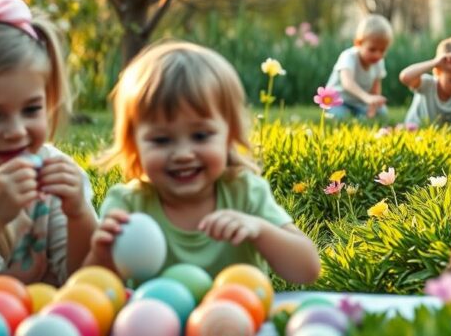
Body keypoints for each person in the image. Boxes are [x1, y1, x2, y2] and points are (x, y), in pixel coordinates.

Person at [90, 41, 320, 283]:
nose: (182, 154)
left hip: (238, 317)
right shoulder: (127, 206)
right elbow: (96, 290)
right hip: (154, 319)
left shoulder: (245, 193)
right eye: (161, 140)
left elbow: (307, 271)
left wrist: (260, 230)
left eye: (200, 136)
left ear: (229, 135)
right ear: (134, 144)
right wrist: (102, 252)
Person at [0, 0, 96, 290]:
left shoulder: (56, 175)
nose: (16, 131)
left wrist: (79, 214)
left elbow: (87, 284)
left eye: (32, 110)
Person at [324, 14, 393, 119]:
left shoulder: (379, 62)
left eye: (382, 50)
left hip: (359, 103)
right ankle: (351, 115)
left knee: (382, 112)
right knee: (340, 116)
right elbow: (347, 83)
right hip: (338, 101)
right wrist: (367, 98)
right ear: (358, 43)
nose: (377, 55)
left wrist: (373, 105)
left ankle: (360, 115)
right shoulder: (348, 57)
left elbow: (375, 89)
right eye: (372, 49)